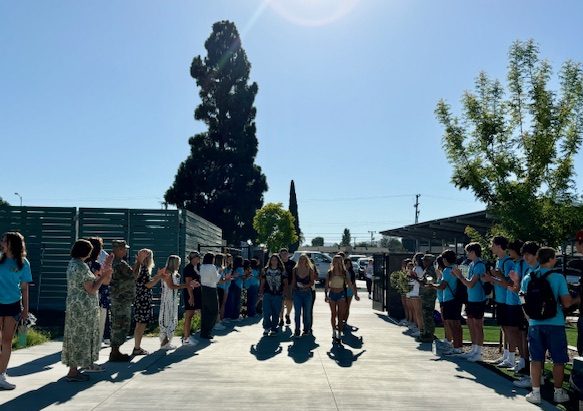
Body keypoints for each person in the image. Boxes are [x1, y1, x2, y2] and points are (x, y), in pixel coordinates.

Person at [521, 247, 579, 405]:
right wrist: (577, 299)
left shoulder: (528, 277)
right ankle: (558, 392)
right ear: (551, 259)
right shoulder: (558, 277)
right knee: (558, 360)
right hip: (555, 322)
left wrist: (530, 319)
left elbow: (523, 300)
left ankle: (536, 392)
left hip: (534, 324)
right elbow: (566, 303)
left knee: (536, 359)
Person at [62, 239, 112, 382]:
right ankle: (73, 372)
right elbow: (91, 289)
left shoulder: (72, 264)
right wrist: (103, 276)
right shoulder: (82, 267)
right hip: (84, 307)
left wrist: (98, 275)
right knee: (82, 337)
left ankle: (73, 369)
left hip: (73, 305)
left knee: (73, 336)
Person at [0, 232, 32, 390]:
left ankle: (1, 375)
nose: (2, 243)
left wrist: (26, 310)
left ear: (13, 244)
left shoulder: (23, 263)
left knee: (6, 341)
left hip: (13, 304)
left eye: (4, 241)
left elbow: (25, 288)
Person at [512, 241, 540, 389]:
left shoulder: (534, 273)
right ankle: (536, 376)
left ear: (536, 254)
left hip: (535, 316)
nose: (526, 258)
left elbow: (522, 296)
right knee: (535, 346)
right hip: (537, 315)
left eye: (528, 254)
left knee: (535, 347)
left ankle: (534, 378)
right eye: (524, 255)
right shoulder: (534, 271)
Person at [485, 236, 515, 367]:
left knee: (509, 329)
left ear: (498, 245)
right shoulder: (499, 261)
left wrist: (492, 278)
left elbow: (509, 283)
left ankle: (511, 358)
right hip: (500, 299)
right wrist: (492, 278)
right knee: (504, 328)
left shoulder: (508, 262)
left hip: (506, 300)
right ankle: (506, 355)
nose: (491, 247)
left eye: (492, 244)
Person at [150, 255, 191, 349]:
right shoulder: (167, 272)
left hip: (173, 298)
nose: (179, 265)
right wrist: (186, 286)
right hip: (167, 299)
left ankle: (166, 342)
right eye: (178, 263)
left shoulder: (173, 273)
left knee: (172, 318)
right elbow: (171, 286)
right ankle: (164, 342)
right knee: (166, 318)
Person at [453, 243, 486, 361]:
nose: (467, 254)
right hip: (470, 299)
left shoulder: (479, 265)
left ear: (473, 252)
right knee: (471, 324)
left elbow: (470, 284)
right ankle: (474, 349)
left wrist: (460, 276)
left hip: (478, 299)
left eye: (468, 252)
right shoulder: (471, 264)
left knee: (477, 325)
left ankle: (479, 351)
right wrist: (459, 276)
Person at [109, 240, 137, 362]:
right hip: (121, 300)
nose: (125, 251)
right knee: (120, 324)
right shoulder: (119, 264)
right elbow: (134, 275)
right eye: (123, 249)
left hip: (119, 299)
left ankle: (115, 350)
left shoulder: (114, 262)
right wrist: (139, 262)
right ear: (118, 249)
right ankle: (115, 351)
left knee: (118, 323)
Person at [434, 250, 462, 354]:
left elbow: (442, 286)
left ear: (445, 259)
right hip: (457, 299)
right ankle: (459, 346)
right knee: (457, 324)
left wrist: (432, 285)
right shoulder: (457, 268)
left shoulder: (447, 270)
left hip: (449, 299)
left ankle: (455, 347)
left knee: (451, 324)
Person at [505, 240, 527, 372]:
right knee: (516, 331)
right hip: (516, 301)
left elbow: (519, 285)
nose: (509, 252)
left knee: (521, 333)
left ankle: (524, 360)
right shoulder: (517, 263)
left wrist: (514, 285)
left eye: (511, 250)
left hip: (520, 303)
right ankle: (522, 359)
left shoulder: (522, 264)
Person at [325, 255, 354, 343]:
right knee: (333, 314)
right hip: (332, 294)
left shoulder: (345, 273)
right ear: (333, 262)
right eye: (335, 261)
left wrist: (354, 294)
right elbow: (326, 285)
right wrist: (325, 295)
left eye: (338, 261)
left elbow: (350, 284)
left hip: (341, 293)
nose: (336, 263)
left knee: (340, 315)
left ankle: (339, 333)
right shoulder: (330, 272)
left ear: (341, 262)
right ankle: (334, 331)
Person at [199, 253, 228, 339]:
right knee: (214, 311)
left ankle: (203, 331)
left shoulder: (202, 266)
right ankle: (208, 331)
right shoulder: (212, 267)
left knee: (205, 311)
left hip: (203, 289)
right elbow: (216, 279)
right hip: (211, 289)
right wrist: (220, 272)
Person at [132, 249, 155, 356]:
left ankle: (137, 346)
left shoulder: (138, 267)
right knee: (141, 324)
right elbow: (147, 285)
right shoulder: (144, 268)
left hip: (139, 298)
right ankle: (137, 347)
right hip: (143, 299)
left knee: (139, 323)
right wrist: (159, 277)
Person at [259, 254, 286, 336]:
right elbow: (263, 282)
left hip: (278, 294)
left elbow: (285, 283)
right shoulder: (265, 270)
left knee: (276, 312)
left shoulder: (282, 270)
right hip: (267, 293)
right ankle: (267, 327)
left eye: (275, 260)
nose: (274, 261)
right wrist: (260, 291)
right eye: (272, 259)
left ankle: (274, 328)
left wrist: (284, 293)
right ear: (270, 261)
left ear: (278, 261)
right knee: (266, 312)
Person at [291, 254, 316, 337]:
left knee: (307, 313)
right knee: (297, 313)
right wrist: (292, 291)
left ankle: (306, 329)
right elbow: (293, 281)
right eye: (300, 259)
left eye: (304, 259)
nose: (302, 261)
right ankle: (297, 330)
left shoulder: (310, 270)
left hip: (307, 293)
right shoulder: (295, 270)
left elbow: (312, 282)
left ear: (306, 261)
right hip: (297, 293)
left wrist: (305, 286)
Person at [182, 251, 202, 345]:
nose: (199, 259)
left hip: (196, 293)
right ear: (193, 258)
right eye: (197, 257)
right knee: (189, 315)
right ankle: (186, 338)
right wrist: (191, 297)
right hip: (190, 294)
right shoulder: (188, 268)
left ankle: (187, 336)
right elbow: (189, 283)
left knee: (191, 315)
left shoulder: (196, 267)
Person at [418, 254, 437, 343]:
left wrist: (417, 279)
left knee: (428, 315)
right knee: (425, 315)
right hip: (426, 296)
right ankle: (426, 333)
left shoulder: (430, 270)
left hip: (429, 296)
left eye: (425, 260)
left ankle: (429, 334)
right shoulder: (427, 270)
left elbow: (428, 284)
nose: (423, 262)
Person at [406, 253, 425, 338]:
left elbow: (420, 280)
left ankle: (420, 330)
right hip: (413, 291)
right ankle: (418, 328)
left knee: (418, 312)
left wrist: (413, 277)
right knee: (416, 312)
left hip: (416, 292)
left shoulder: (419, 269)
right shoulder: (416, 268)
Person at [279, 248, 296, 327]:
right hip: (279, 286)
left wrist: (293, 285)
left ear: (288, 254)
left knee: (289, 301)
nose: (284, 255)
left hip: (289, 285)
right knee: (281, 303)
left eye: (285, 253)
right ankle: (281, 319)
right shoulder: (278, 263)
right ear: (280, 255)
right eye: (282, 254)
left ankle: (287, 315)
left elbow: (295, 275)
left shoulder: (292, 263)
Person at [342, 257, 360, 328]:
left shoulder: (352, 272)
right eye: (346, 263)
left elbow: (354, 284)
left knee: (347, 307)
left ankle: (345, 321)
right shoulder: (341, 272)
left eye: (349, 264)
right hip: (342, 290)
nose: (348, 265)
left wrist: (356, 294)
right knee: (342, 307)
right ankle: (341, 320)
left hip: (350, 290)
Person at [225, 256, 244, 321]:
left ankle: (230, 315)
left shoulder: (234, 267)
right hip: (238, 285)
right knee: (237, 301)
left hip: (232, 284)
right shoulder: (240, 268)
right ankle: (235, 316)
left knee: (231, 301)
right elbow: (242, 277)